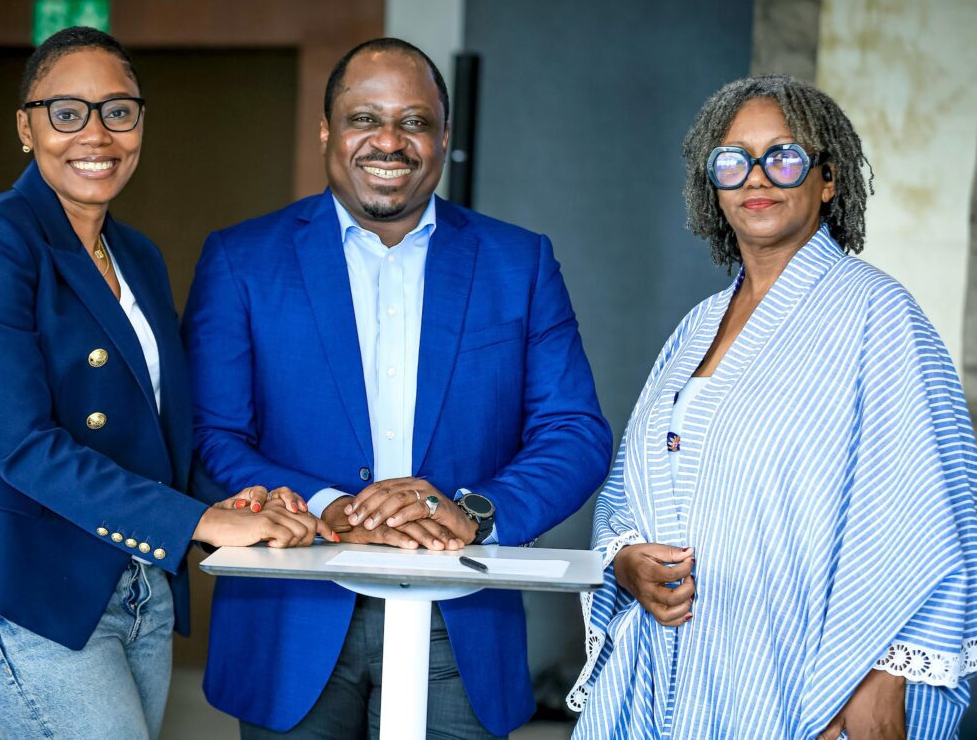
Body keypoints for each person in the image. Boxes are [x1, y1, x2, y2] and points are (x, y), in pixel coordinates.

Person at [182, 37, 613, 738]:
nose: (389, 141)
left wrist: (473, 510)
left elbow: (574, 431)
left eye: (414, 122)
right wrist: (329, 506)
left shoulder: (518, 262)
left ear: (443, 136)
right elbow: (210, 436)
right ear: (327, 130)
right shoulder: (242, 260)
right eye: (364, 119)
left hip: (460, 611)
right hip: (290, 610)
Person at [0, 27, 333, 739]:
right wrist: (201, 523)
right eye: (66, 112)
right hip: (32, 586)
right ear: (25, 127)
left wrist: (235, 499)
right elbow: (23, 447)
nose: (97, 134)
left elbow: (154, 435)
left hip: (139, 584)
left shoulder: (137, 256)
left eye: (118, 111)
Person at [569, 74, 977, 739]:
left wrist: (882, 679)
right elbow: (630, 487)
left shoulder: (879, 315)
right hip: (669, 663)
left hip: (808, 676)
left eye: (783, 156)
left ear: (828, 179)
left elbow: (935, 511)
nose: (756, 176)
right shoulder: (696, 327)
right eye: (732, 160)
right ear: (713, 185)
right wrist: (627, 562)